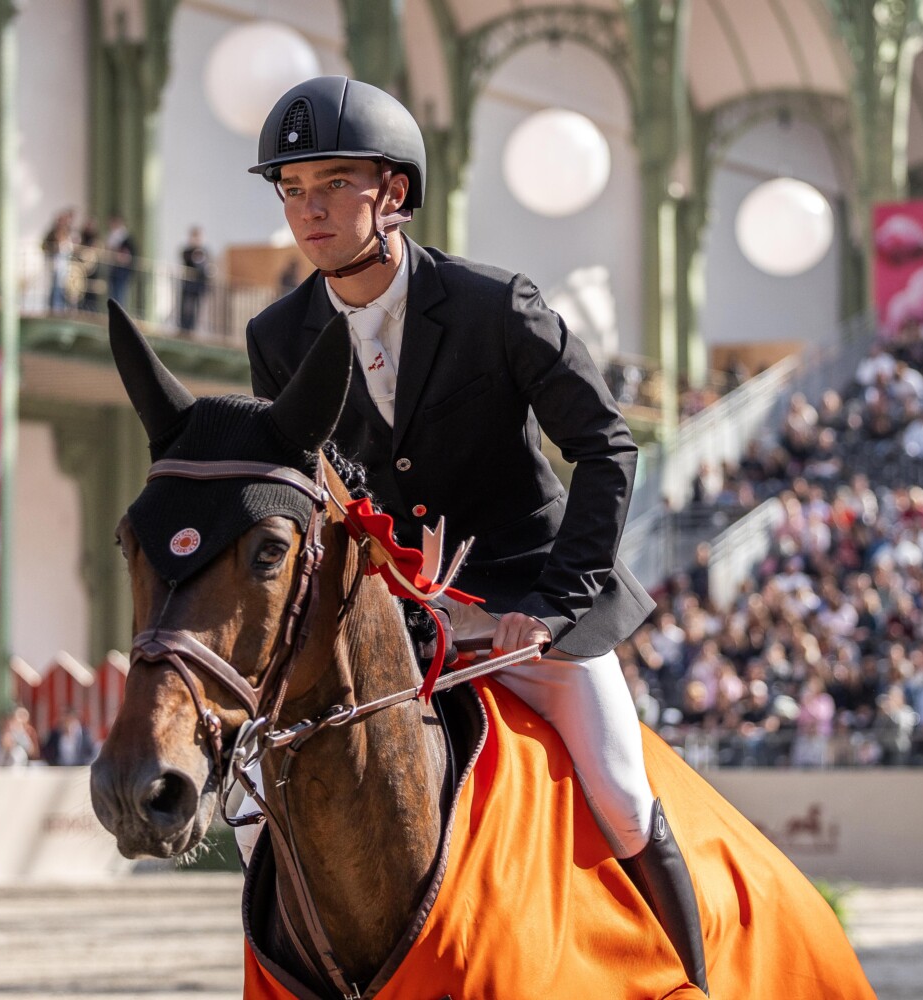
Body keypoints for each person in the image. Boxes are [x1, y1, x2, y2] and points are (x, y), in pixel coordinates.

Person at [240, 77, 702, 992]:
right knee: (260, 807)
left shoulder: (495, 305)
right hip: (395, 626)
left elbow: (607, 448)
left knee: (617, 790)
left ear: (395, 193)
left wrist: (553, 604)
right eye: (292, 190)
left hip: (528, 604)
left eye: (334, 184)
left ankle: (698, 978)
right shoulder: (278, 334)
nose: (309, 210)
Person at [178, 226, 210, 331]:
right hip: (188, 285)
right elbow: (187, 262)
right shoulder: (187, 251)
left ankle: (194, 328)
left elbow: (206, 268)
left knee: (198, 308)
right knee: (187, 308)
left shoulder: (205, 252)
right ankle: (185, 327)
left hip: (199, 285)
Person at [103, 213, 137, 305]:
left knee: (120, 293)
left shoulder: (126, 238)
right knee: (113, 293)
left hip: (121, 270)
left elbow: (127, 256)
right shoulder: (111, 235)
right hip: (113, 268)